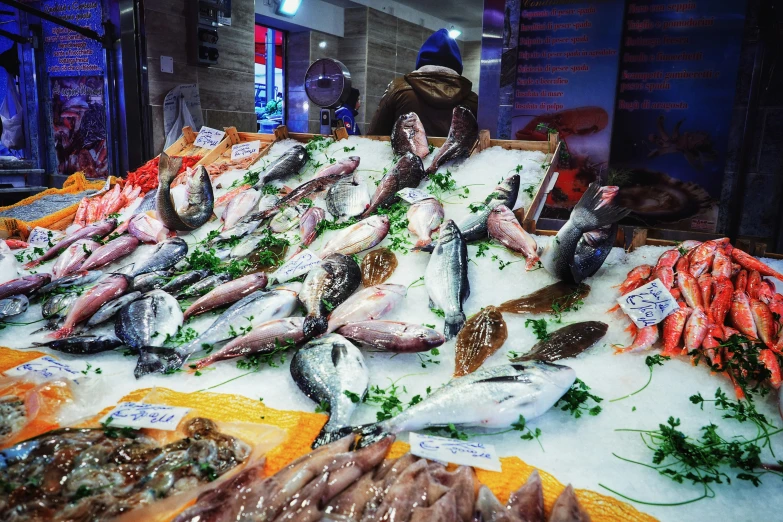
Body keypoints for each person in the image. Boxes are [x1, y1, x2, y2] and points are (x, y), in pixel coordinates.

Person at [367, 28, 478, 137]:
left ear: (421, 61)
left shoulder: (398, 89)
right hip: (458, 156)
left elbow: (374, 138)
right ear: (458, 66)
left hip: (404, 156)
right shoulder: (473, 100)